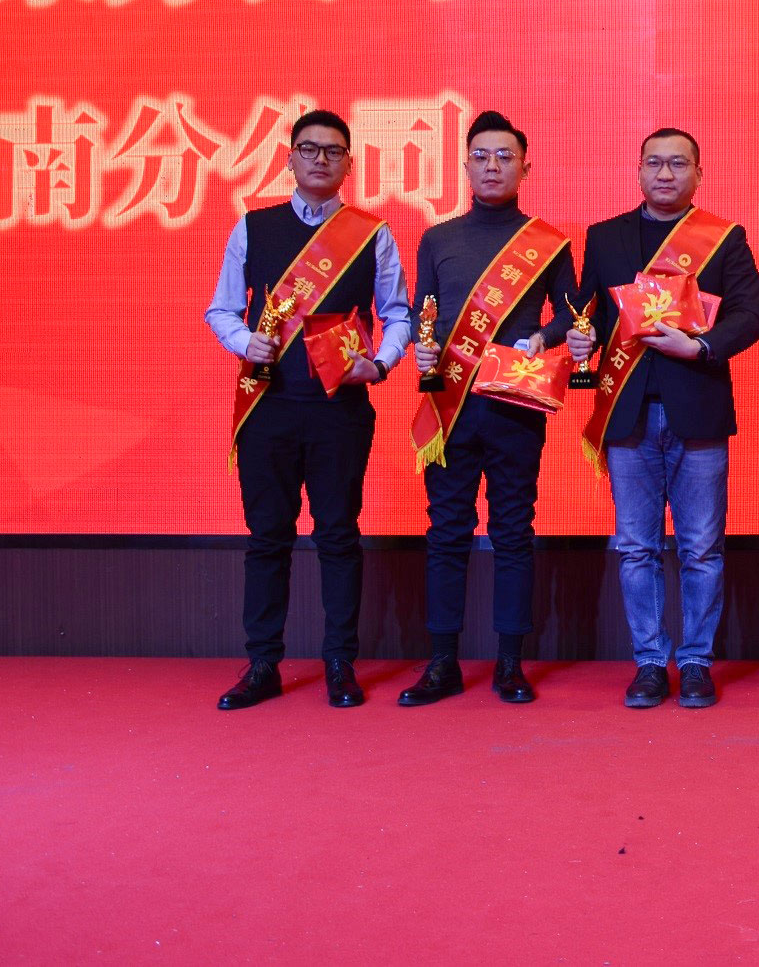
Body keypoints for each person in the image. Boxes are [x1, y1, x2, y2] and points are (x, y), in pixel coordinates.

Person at [205, 108, 412, 710]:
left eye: (333, 151)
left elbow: (398, 313)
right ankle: (262, 664)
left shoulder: (371, 233)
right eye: (309, 149)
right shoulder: (254, 227)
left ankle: (340, 663)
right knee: (267, 536)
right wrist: (246, 341)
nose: (321, 159)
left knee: (338, 535)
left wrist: (380, 364)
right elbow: (221, 309)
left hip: (338, 410)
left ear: (350, 163)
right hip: (269, 406)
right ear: (289, 158)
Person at [566, 127, 759, 710]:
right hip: (627, 414)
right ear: (638, 170)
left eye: (678, 164)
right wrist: (581, 341)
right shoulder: (604, 237)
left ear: (699, 174)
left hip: (698, 408)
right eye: (654, 163)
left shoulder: (724, 239)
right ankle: (651, 664)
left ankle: (697, 662)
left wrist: (701, 347)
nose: (664, 173)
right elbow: (587, 312)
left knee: (701, 547)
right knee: (637, 547)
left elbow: (751, 314)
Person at [403, 110, 577, 706]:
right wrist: (422, 345)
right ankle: (442, 662)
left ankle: (509, 663)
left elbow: (572, 314)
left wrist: (545, 338)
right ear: (465, 165)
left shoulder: (547, 242)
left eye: (505, 156)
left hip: (514, 405)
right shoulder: (438, 239)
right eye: (481, 156)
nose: (492, 166)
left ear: (526, 167)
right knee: (446, 531)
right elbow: (422, 312)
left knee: (513, 531)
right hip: (450, 408)